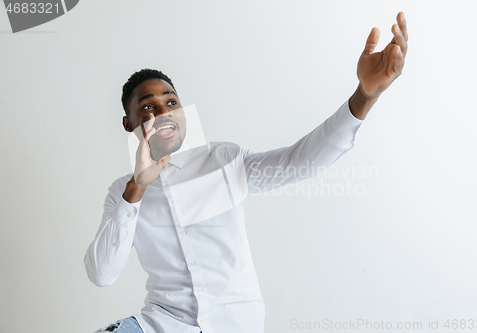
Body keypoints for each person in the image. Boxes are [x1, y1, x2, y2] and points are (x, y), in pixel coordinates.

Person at [85, 11, 408, 333]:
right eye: (147, 106)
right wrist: (137, 189)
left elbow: (302, 161)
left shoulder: (224, 162)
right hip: (163, 324)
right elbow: (102, 274)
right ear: (129, 123)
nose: (163, 112)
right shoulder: (123, 192)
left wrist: (365, 96)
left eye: (171, 102)